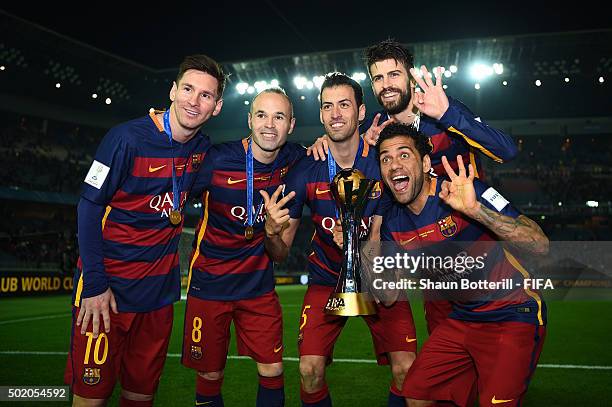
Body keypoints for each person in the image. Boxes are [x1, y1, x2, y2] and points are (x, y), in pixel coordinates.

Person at [64, 54, 224, 407]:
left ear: (217, 107)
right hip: (106, 295)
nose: (194, 101)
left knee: (140, 397)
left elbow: (256, 160)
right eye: (188, 89)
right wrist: (94, 283)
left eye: (206, 95)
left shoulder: (202, 151)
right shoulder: (125, 139)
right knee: (90, 398)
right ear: (172, 90)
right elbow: (88, 206)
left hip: (157, 299)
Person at [264, 72, 417, 407]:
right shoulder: (306, 168)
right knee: (309, 369)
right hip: (327, 280)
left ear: (361, 112)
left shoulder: (383, 162)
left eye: (344, 105)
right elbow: (279, 253)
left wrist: (360, 244)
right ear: (320, 115)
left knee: (407, 369)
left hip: (379, 276)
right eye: (327, 106)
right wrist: (272, 232)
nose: (335, 114)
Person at [376, 123, 548, 407]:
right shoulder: (392, 222)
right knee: (416, 394)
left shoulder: (465, 191)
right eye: (385, 158)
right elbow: (388, 295)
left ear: (425, 162)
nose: (394, 165)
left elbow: (540, 244)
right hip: (465, 318)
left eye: (404, 155)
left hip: (514, 312)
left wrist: (476, 211)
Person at [182, 87, 305, 407]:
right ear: (249, 120)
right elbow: (174, 186)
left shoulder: (296, 160)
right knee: (209, 375)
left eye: (279, 117)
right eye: (261, 115)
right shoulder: (218, 160)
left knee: (273, 369)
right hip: (210, 285)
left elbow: (335, 155)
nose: (269, 124)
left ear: (291, 126)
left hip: (257, 287)